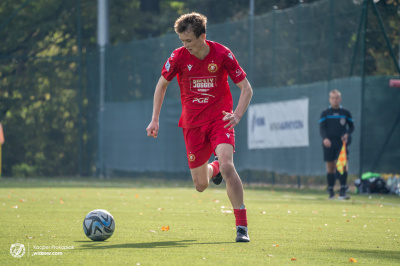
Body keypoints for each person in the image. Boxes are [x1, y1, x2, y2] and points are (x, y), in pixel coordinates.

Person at [146, 12, 253, 242]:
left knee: (227, 165)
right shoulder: (178, 57)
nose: (185, 46)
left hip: (219, 119)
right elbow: (161, 85)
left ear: (202, 36)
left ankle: (241, 226)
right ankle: (212, 169)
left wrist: (237, 115)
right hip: (193, 124)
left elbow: (246, 88)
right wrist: (155, 119)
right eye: (182, 41)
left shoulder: (222, 54)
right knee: (201, 185)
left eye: (189, 41)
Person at [319, 89, 354, 200]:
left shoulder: (345, 112)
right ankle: (331, 192)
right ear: (330, 99)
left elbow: (351, 126)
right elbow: (322, 128)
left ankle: (343, 191)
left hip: (341, 143)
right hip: (329, 143)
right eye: (333, 98)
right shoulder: (325, 113)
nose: (335, 100)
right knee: (331, 167)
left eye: (337, 98)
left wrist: (347, 134)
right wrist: (325, 139)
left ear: (340, 99)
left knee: (342, 165)